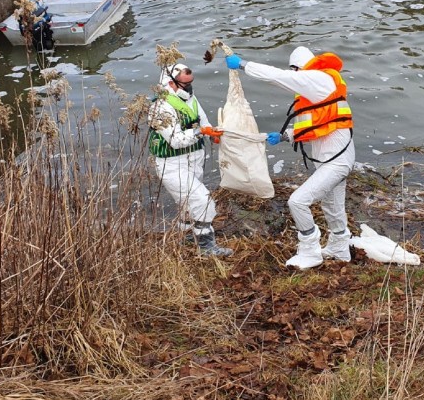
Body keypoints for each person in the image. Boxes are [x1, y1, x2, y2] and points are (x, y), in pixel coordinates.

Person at [225, 46, 354, 269]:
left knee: (297, 201)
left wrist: (244, 64)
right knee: (332, 207)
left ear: (298, 68)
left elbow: (278, 76)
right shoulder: (317, 87)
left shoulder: (317, 78)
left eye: (294, 71)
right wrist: (285, 135)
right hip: (334, 160)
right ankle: (340, 248)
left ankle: (310, 252)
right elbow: (319, 125)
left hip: (336, 162)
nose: (294, 76)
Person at [148, 62, 232, 257]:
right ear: (171, 83)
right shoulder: (160, 107)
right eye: (185, 84)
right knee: (203, 201)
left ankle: (186, 234)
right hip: (171, 164)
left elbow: (203, 120)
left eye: (191, 82)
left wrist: (211, 131)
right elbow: (176, 140)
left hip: (194, 158)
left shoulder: (191, 99)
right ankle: (206, 247)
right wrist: (200, 132)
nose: (190, 87)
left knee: (187, 204)